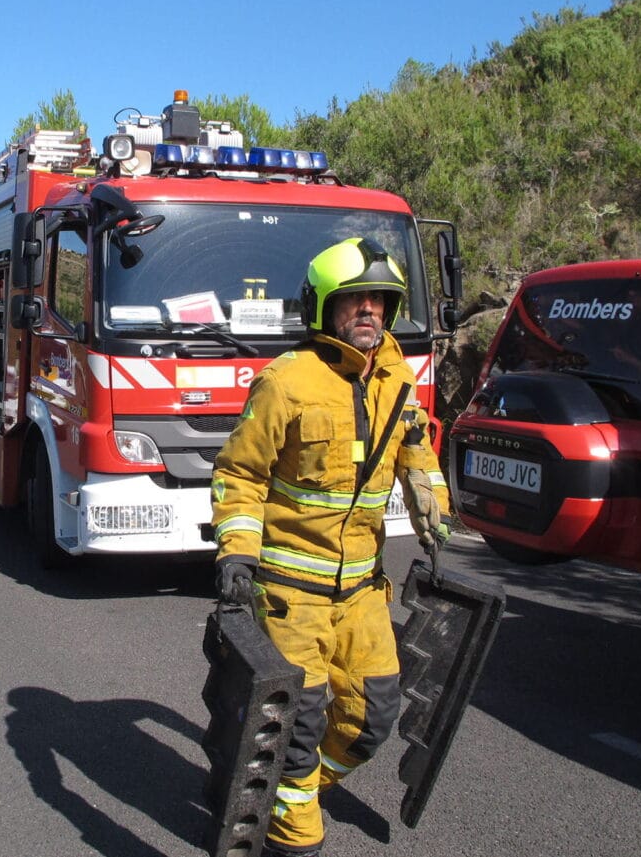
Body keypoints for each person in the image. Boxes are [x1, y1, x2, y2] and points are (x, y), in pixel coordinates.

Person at [210, 237, 451, 856]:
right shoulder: (286, 382)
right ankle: (293, 837)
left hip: (364, 593)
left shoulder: (397, 379)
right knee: (296, 729)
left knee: (373, 718)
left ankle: (277, 791)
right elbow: (240, 474)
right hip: (292, 598)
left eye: (380, 300)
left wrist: (434, 512)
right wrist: (237, 551)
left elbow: (417, 453)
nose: (369, 310)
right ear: (322, 306)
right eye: (354, 299)